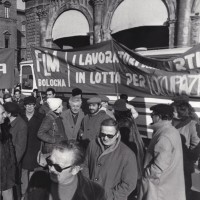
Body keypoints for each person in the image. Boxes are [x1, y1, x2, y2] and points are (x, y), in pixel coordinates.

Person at [24, 140, 106, 200]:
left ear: (75, 170)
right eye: (49, 162)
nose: (51, 169)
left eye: (58, 167)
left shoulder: (95, 193)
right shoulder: (37, 178)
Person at [138, 104, 186, 200]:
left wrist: (146, 174)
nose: (151, 116)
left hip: (159, 188)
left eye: (153, 114)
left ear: (159, 116)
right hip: (169, 185)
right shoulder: (172, 131)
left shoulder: (164, 135)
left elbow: (159, 166)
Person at [83, 118, 138, 200]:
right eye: (102, 134)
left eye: (110, 136)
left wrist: (110, 196)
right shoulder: (93, 144)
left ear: (117, 134)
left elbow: (129, 184)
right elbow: (85, 165)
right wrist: (87, 185)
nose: (105, 138)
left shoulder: (128, 154)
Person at [172, 100, 200, 200]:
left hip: (185, 164)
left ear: (181, 111)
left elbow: (196, 145)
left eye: (174, 110)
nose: (172, 112)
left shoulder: (192, 124)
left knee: (185, 188)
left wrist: (186, 156)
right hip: (173, 163)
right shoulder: (172, 122)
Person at [113, 99, 145, 187]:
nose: (113, 111)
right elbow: (135, 113)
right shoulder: (129, 119)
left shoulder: (123, 122)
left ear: (118, 111)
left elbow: (123, 140)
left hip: (128, 148)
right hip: (134, 146)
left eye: (115, 110)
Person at [20, 96, 45, 197]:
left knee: (33, 170)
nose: (29, 107)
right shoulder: (20, 116)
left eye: (32, 105)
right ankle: (23, 194)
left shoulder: (40, 117)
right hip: (23, 147)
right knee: (23, 170)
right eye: (27, 105)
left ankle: (31, 194)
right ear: (25, 106)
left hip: (35, 147)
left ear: (35, 105)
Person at [4, 102, 28, 200]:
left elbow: (20, 148)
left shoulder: (21, 125)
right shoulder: (5, 122)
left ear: (9, 113)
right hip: (4, 161)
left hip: (13, 163)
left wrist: (12, 164)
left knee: (14, 185)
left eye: (3, 112)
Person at [37, 98, 67, 166]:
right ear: (57, 107)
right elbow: (40, 133)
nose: (62, 106)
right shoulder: (49, 118)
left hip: (58, 148)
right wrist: (53, 140)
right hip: (51, 150)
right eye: (61, 105)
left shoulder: (58, 117)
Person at [0, 104, 16, 200]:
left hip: (7, 177)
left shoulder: (5, 130)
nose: (5, 115)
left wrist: (12, 165)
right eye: (2, 113)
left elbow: (11, 150)